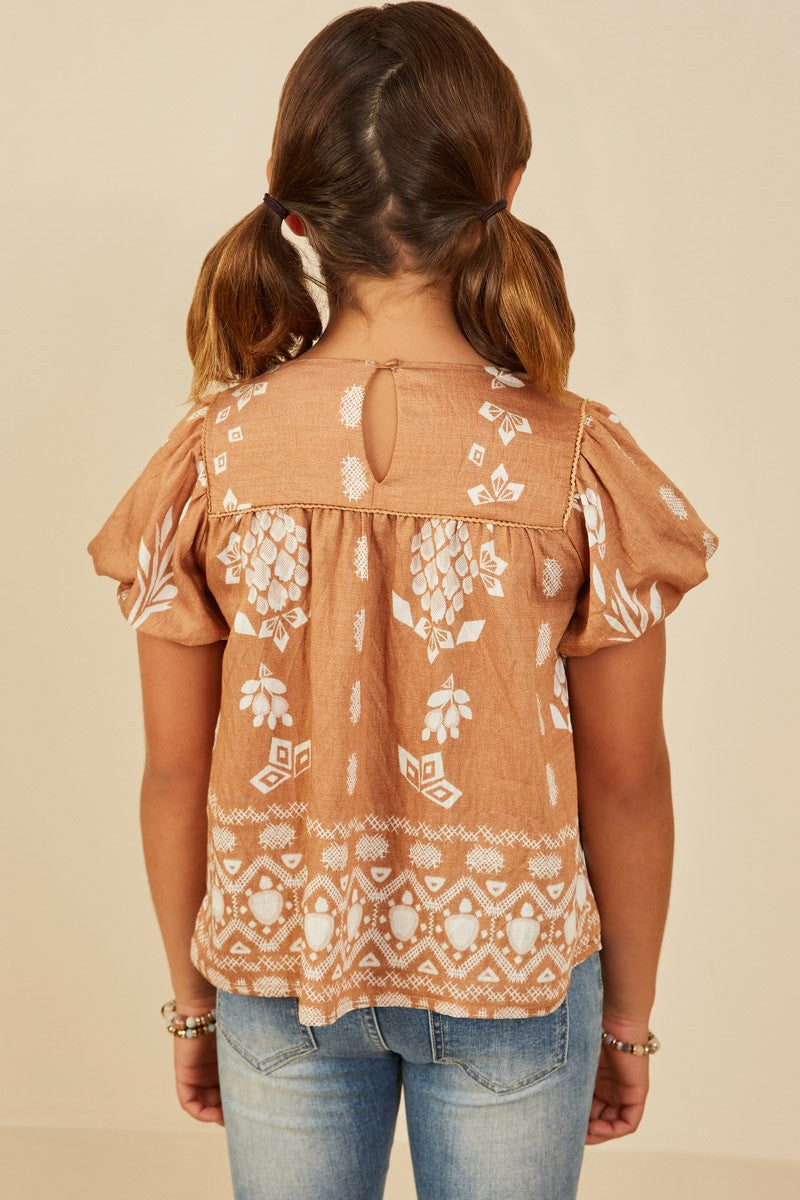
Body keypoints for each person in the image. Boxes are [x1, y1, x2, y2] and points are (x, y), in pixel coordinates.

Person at [86, 4, 720, 1198]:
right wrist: (626, 1023)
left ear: (292, 207)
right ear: (505, 186)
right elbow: (627, 778)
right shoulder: (575, 462)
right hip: (512, 974)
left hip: (277, 966)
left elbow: (175, 770)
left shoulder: (209, 461)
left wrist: (192, 1002)